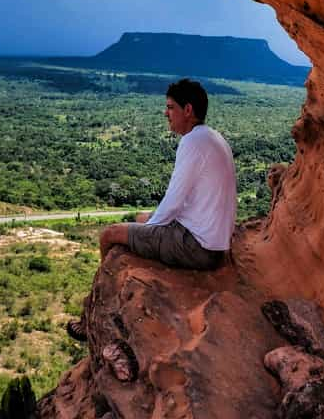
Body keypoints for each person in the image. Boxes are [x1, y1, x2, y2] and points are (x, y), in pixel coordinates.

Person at [67, 79, 236, 346]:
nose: (165, 113)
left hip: (197, 247)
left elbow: (173, 201)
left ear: (188, 110)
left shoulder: (192, 142)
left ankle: (94, 318)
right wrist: (149, 224)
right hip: (211, 242)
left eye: (170, 107)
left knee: (109, 235)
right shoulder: (211, 137)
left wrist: (151, 230)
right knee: (140, 217)